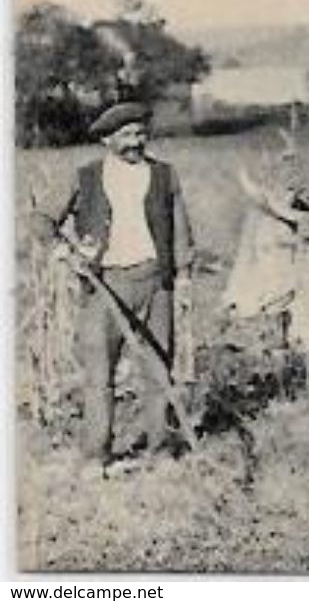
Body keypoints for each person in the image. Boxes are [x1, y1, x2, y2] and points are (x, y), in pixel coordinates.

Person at [35, 101, 195, 478]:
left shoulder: (164, 176)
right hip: (104, 285)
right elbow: (43, 218)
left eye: (140, 133)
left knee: (158, 368)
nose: (136, 142)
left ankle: (161, 450)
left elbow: (181, 230)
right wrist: (62, 250)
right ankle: (96, 456)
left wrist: (183, 276)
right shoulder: (85, 176)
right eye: (126, 135)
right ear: (107, 139)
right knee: (98, 373)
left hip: (156, 282)